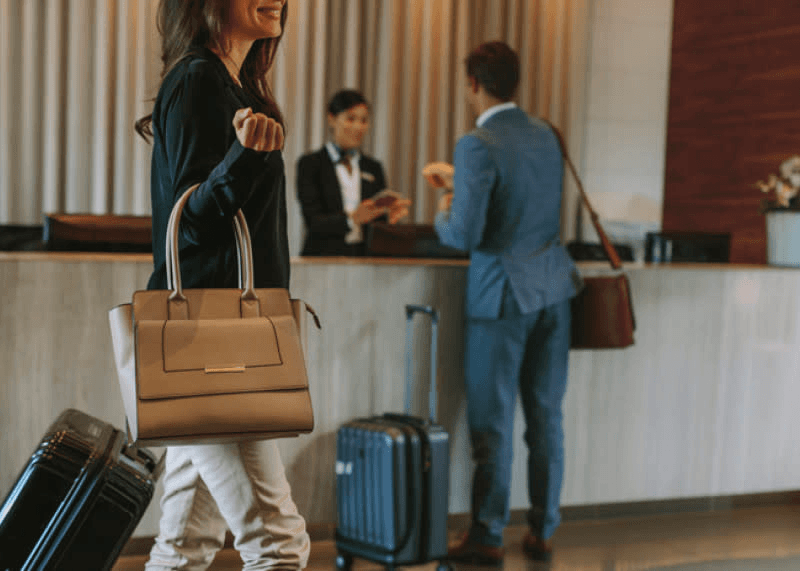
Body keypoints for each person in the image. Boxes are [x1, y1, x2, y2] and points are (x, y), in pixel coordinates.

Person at [134, 1, 310, 569]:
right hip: (215, 356)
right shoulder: (197, 79)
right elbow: (188, 224)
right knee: (280, 546)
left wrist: (246, 153)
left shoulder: (234, 85)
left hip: (218, 350)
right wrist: (246, 155)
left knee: (185, 546)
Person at [426, 41, 582, 565]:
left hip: (503, 297)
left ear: (473, 83)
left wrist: (444, 206)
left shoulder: (477, 143)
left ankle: (488, 533)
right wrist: (463, 184)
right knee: (546, 416)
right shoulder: (546, 135)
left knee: (492, 423)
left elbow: (466, 232)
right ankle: (543, 529)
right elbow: (525, 203)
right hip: (554, 291)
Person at [296, 90, 410, 256]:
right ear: (332, 119)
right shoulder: (311, 164)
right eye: (350, 118)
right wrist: (352, 219)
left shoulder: (373, 167)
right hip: (322, 259)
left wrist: (389, 221)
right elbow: (313, 221)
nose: (358, 127)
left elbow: (376, 225)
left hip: (364, 260)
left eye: (364, 120)